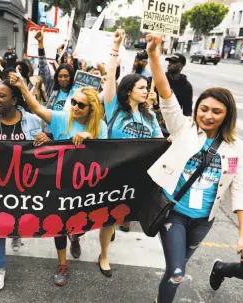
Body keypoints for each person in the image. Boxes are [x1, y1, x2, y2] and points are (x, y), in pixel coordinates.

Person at [146, 34, 243, 303]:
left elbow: (240, 190)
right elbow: (165, 93)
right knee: (177, 273)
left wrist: (242, 236)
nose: (207, 115)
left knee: (175, 269)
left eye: (216, 111)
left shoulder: (237, 147)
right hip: (175, 212)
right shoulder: (184, 128)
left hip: (204, 221)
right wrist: (154, 55)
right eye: (203, 109)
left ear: (227, 115)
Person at [11, 71, 107, 286]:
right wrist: (22, 87)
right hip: (60, 183)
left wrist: (91, 138)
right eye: (73, 102)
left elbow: (107, 154)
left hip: (85, 186)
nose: (74, 107)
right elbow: (37, 108)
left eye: (81, 105)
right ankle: (62, 264)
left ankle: (76, 236)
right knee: (59, 224)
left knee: (79, 225)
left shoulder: (100, 127)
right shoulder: (63, 118)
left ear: (91, 109)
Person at [0, 79, 50, 290]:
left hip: (24, 184)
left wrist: (45, 139)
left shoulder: (33, 121)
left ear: (15, 100)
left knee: (17, 218)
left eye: (1, 96)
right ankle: (0, 268)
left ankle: (16, 233)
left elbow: (43, 153)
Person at [102, 29, 164, 271]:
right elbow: (109, 77)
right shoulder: (114, 109)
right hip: (113, 174)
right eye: (141, 87)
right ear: (128, 90)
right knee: (107, 217)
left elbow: (159, 140)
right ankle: (104, 255)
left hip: (137, 177)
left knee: (123, 214)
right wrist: (115, 46)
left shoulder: (150, 117)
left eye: (147, 87)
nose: (146, 91)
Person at [35, 28, 76, 111]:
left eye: (66, 76)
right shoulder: (51, 87)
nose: (63, 79)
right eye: (60, 76)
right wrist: (40, 43)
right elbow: (43, 66)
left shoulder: (76, 93)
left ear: (71, 77)